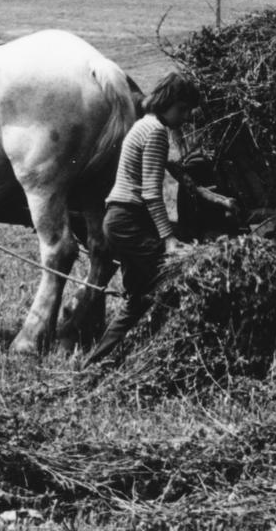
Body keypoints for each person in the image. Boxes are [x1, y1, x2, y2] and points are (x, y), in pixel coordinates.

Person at [85, 71, 204, 365]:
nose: (186, 117)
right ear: (168, 102)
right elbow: (151, 192)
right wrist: (169, 239)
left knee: (139, 298)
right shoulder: (156, 132)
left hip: (120, 219)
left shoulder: (143, 125)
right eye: (183, 109)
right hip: (129, 220)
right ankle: (164, 358)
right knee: (175, 279)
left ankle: (98, 363)